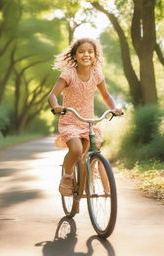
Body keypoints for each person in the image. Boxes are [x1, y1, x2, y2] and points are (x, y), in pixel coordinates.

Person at [48, 38, 123, 196]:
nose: (86, 54)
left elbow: (106, 95)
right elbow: (53, 95)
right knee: (76, 150)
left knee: (88, 156)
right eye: (81, 51)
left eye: (90, 51)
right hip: (70, 121)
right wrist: (56, 106)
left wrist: (114, 108)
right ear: (75, 56)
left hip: (88, 122)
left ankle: (102, 192)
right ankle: (67, 176)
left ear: (95, 55)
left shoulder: (96, 74)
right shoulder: (69, 74)